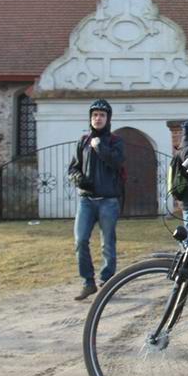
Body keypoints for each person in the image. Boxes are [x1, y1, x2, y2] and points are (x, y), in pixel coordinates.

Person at [67, 99, 126, 301]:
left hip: (108, 201)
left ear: (108, 118)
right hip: (86, 201)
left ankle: (107, 281)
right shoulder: (82, 141)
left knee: (107, 244)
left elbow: (117, 162)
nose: (97, 118)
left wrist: (100, 147)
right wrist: (79, 179)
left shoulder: (115, 141)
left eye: (101, 115)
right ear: (90, 118)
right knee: (80, 240)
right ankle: (88, 282)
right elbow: (73, 168)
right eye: (94, 115)